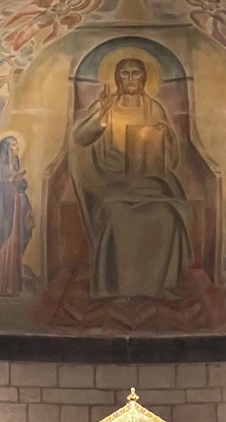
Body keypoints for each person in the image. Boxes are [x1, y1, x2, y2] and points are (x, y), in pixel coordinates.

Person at [71, 57, 192, 299]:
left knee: (167, 216)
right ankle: (118, 288)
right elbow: (80, 138)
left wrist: (166, 135)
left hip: (150, 183)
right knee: (117, 215)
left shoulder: (154, 108)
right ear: (117, 79)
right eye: (124, 74)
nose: (130, 79)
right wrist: (101, 114)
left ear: (144, 78)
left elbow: (171, 157)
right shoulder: (106, 105)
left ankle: (159, 286)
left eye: (135, 73)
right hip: (112, 183)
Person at [0, 136, 34, 295]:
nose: (16, 148)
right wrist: (10, 180)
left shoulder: (15, 164)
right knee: (7, 244)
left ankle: (14, 285)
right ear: (6, 148)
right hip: (6, 213)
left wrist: (19, 179)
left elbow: (22, 185)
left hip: (17, 208)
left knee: (17, 242)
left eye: (16, 144)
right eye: (13, 145)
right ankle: (3, 286)